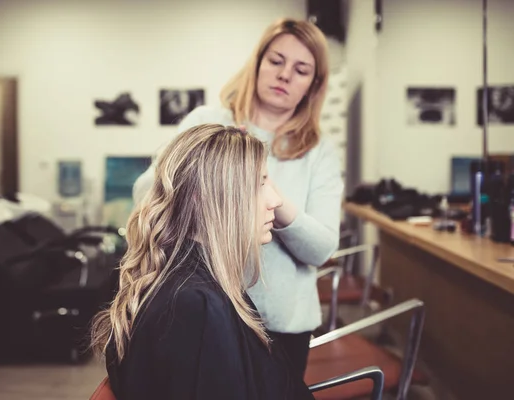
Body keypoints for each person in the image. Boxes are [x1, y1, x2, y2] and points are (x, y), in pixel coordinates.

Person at [132, 18, 343, 378]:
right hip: (206, 310)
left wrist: (265, 190)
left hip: (282, 323)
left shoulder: (318, 152)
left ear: (314, 84)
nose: (285, 75)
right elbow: (146, 193)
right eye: (276, 61)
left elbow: (322, 248)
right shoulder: (208, 121)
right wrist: (216, 164)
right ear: (258, 62)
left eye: (301, 69)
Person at [91, 124, 314, 400]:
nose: (276, 201)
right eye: (260, 184)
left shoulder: (196, 284)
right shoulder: (196, 306)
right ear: (205, 198)